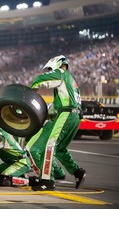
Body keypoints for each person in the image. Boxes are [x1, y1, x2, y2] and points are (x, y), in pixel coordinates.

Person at [26, 55, 86, 191]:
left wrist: (30, 93)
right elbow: (58, 105)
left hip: (66, 114)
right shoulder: (72, 82)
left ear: (55, 64)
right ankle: (78, 172)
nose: (48, 71)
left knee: (50, 145)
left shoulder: (61, 73)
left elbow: (40, 80)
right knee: (60, 149)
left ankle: (47, 181)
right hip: (76, 117)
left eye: (49, 69)